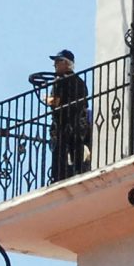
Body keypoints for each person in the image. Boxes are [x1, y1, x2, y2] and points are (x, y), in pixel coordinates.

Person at [43, 49, 92, 182]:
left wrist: (46, 99)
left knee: (59, 154)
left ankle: (58, 178)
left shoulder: (59, 81)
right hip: (78, 124)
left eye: (58, 61)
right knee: (76, 149)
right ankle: (78, 172)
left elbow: (56, 101)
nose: (55, 65)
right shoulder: (80, 82)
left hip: (61, 124)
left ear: (66, 63)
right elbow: (85, 105)